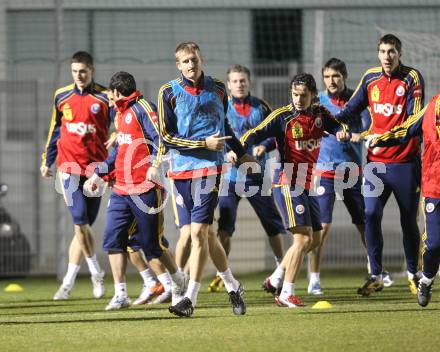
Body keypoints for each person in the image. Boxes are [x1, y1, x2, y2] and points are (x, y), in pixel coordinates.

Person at [158, 42, 255, 317]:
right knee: (207, 235)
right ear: (178, 65)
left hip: (210, 168)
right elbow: (167, 137)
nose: (191, 65)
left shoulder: (218, 89)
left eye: (194, 59)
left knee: (198, 233)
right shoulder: (168, 92)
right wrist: (203, 142)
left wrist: (241, 152)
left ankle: (190, 298)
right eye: (185, 61)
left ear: (202, 59)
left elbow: (223, 126)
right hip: (181, 170)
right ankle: (233, 285)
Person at [242, 73, 350, 307]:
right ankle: (285, 292)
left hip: (307, 183)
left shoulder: (320, 114)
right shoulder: (283, 116)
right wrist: (239, 149)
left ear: (313, 95)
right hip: (287, 181)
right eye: (295, 95)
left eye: (303, 95)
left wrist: (342, 131)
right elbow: (254, 133)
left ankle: (276, 277)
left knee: (314, 240)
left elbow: (337, 125)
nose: (298, 99)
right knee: (302, 239)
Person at [84, 71, 186, 310]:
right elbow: (119, 153)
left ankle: (179, 281)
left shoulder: (143, 109)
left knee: (152, 246)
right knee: (112, 240)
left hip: (146, 189)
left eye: (110, 95)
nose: (109, 100)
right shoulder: (119, 116)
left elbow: (160, 139)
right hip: (121, 190)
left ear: (117, 92)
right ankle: (121, 294)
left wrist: (154, 165)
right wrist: (99, 173)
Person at [336, 34, 424, 296]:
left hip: (405, 163)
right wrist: (330, 123)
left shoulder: (412, 78)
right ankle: (375, 274)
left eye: (392, 51)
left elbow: (413, 122)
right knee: (370, 215)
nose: (387, 56)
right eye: (383, 51)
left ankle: (413, 273)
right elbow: (349, 110)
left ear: (399, 54)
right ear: (378, 54)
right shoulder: (370, 78)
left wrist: (380, 138)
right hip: (376, 165)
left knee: (408, 221)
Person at [308, 58, 393, 295]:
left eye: (335, 76)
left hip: (351, 171)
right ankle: (314, 278)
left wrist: (357, 135)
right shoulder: (318, 103)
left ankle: (377, 270)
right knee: (322, 226)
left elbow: (371, 127)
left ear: (344, 77)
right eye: (326, 77)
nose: (331, 81)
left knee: (363, 223)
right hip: (325, 169)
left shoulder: (357, 101)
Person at [208, 64, 286, 293]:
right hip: (231, 178)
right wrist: (226, 152)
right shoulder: (222, 108)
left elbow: (276, 135)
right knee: (224, 227)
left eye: (243, 80)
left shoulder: (261, 107)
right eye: (235, 81)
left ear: (249, 82)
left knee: (272, 226)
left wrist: (263, 146)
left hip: (256, 177)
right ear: (229, 84)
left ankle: (282, 269)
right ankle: (222, 273)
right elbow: (215, 138)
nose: (239, 84)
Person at [41, 51, 107, 300]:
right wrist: (47, 160)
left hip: (96, 170)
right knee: (79, 221)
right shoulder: (62, 96)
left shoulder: (104, 97)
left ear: (91, 70)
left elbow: (117, 128)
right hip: (68, 167)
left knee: (84, 228)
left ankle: (67, 283)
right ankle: (96, 272)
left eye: (83, 71)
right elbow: (54, 130)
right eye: (75, 71)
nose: (79, 76)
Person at [370, 94, 440, 307]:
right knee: (434, 243)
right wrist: (381, 138)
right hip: (434, 186)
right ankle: (426, 279)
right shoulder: (431, 107)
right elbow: (407, 129)